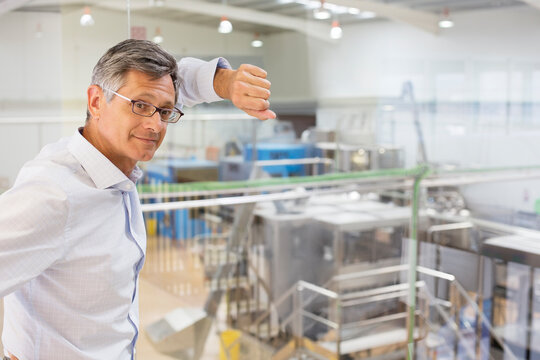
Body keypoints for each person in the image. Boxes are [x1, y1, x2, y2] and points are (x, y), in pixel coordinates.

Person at [0, 39, 274, 360]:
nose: (154, 124)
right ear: (96, 101)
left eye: (165, 112)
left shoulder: (113, 167)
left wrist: (225, 82)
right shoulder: (56, 193)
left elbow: (165, 87)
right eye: (140, 106)